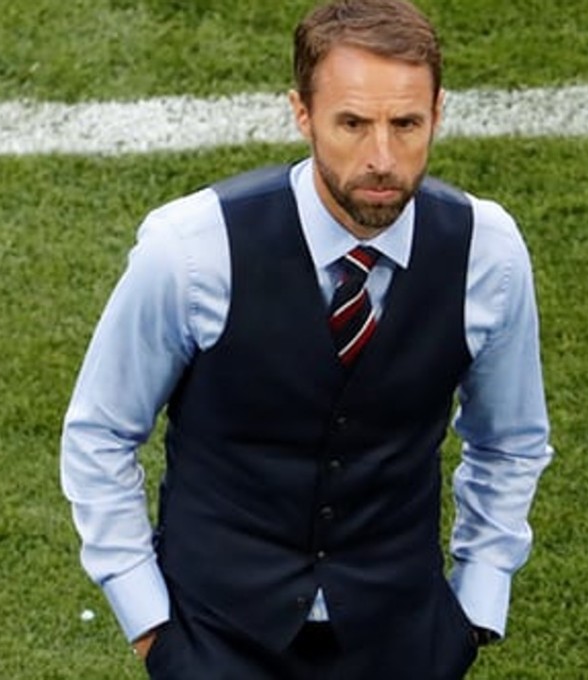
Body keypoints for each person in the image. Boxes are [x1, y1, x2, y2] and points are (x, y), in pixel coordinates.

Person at [60, 0, 553, 677]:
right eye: (352, 123)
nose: (382, 157)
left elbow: (511, 439)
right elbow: (100, 432)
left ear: (437, 114)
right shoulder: (191, 251)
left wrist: (475, 607)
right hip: (215, 642)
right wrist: (152, 627)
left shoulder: (487, 253)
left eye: (405, 124)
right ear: (301, 114)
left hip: (404, 641)